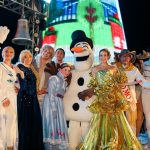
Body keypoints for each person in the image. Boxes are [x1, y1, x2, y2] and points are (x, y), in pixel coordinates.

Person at [77, 48, 143, 150]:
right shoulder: (94, 69)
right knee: (99, 123)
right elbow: (94, 85)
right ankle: (101, 143)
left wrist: (134, 83)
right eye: (101, 55)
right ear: (98, 57)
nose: (103, 57)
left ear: (108, 57)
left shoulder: (114, 68)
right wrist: (89, 93)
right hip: (101, 98)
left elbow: (119, 84)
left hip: (113, 98)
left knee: (116, 122)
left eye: (105, 55)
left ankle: (115, 142)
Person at [116, 49, 150, 135]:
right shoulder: (115, 68)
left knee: (131, 119)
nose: (125, 58)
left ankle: (131, 142)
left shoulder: (134, 69)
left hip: (130, 97)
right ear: (119, 57)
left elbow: (143, 81)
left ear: (130, 58)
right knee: (117, 120)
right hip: (117, 97)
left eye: (127, 56)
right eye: (123, 56)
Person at [17, 50, 44, 150]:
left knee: (35, 123)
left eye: (29, 57)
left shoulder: (32, 69)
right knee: (26, 124)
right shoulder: (19, 67)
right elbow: (20, 84)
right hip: (24, 99)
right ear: (22, 58)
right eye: (25, 57)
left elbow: (33, 85)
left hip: (33, 98)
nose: (28, 59)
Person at [42, 63, 71, 150]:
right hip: (51, 103)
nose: (67, 72)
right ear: (60, 70)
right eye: (65, 70)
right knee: (51, 122)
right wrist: (54, 108)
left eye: (69, 71)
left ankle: (58, 146)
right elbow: (51, 94)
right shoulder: (54, 78)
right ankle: (50, 146)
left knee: (59, 123)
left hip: (59, 102)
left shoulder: (64, 81)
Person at [0, 46, 23, 150]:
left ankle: (10, 145)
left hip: (13, 97)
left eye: (11, 52)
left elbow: (17, 82)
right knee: (3, 123)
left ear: (13, 54)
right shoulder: (0, 66)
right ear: (2, 53)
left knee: (12, 122)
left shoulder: (14, 67)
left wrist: (18, 88)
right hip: (3, 97)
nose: (8, 53)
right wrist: (3, 98)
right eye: (6, 51)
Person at [32, 44, 55, 109]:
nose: (46, 53)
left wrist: (45, 90)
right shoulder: (33, 61)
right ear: (42, 50)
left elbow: (53, 81)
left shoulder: (52, 65)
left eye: (49, 53)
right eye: (45, 51)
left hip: (43, 92)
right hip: (31, 90)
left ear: (51, 55)